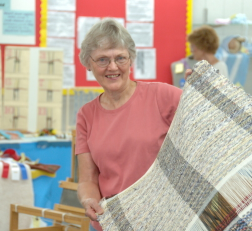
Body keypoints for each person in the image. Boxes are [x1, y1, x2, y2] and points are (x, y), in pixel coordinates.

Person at [75, 18, 188, 231]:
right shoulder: (86, 115)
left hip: (161, 222)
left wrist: (199, 91)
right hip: (109, 223)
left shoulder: (163, 96)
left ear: (131, 60)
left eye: (120, 58)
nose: (112, 67)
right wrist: (88, 199)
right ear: (88, 63)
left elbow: (205, 124)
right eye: (102, 60)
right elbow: (87, 179)